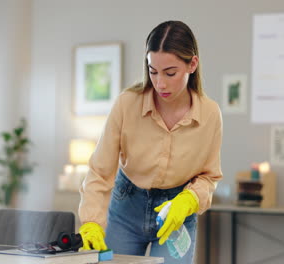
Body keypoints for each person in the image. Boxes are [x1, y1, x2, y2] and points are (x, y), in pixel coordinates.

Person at [78, 20, 223, 264]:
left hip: (176, 214)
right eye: (153, 71)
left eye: (170, 73)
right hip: (126, 207)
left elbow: (209, 177)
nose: (160, 83)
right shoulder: (127, 104)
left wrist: (189, 200)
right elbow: (100, 172)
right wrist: (91, 222)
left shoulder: (209, 114)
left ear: (192, 64)